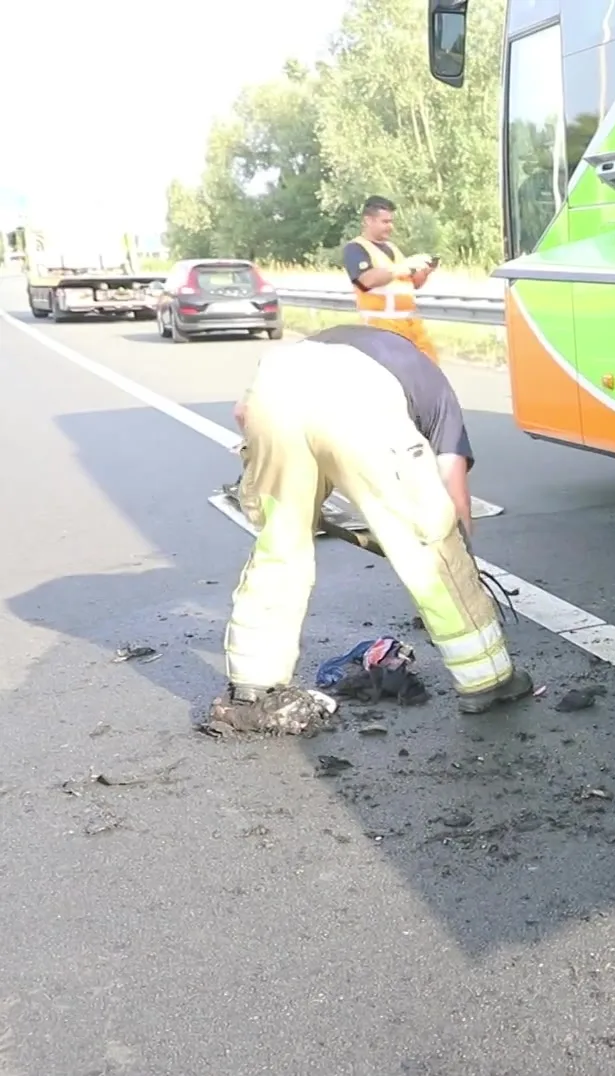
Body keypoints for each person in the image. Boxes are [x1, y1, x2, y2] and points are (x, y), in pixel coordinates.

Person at [207, 324, 534, 733]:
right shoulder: (434, 388)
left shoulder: (322, 344)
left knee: (280, 544)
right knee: (430, 544)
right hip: (360, 405)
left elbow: (243, 412)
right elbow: (454, 491)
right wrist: (460, 557)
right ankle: (487, 679)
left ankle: (254, 684)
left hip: (272, 398)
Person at [343, 195, 441, 364]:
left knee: (431, 368)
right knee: (395, 374)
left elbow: (412, 284)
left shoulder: (393, 249)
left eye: (391, 222)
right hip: (380, 326)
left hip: (410, 325)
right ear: (368, 220)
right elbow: (367, 281)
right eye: (385, 222)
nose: (390, 227)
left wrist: (424, 272)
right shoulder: (356, 249)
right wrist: (404, 267)